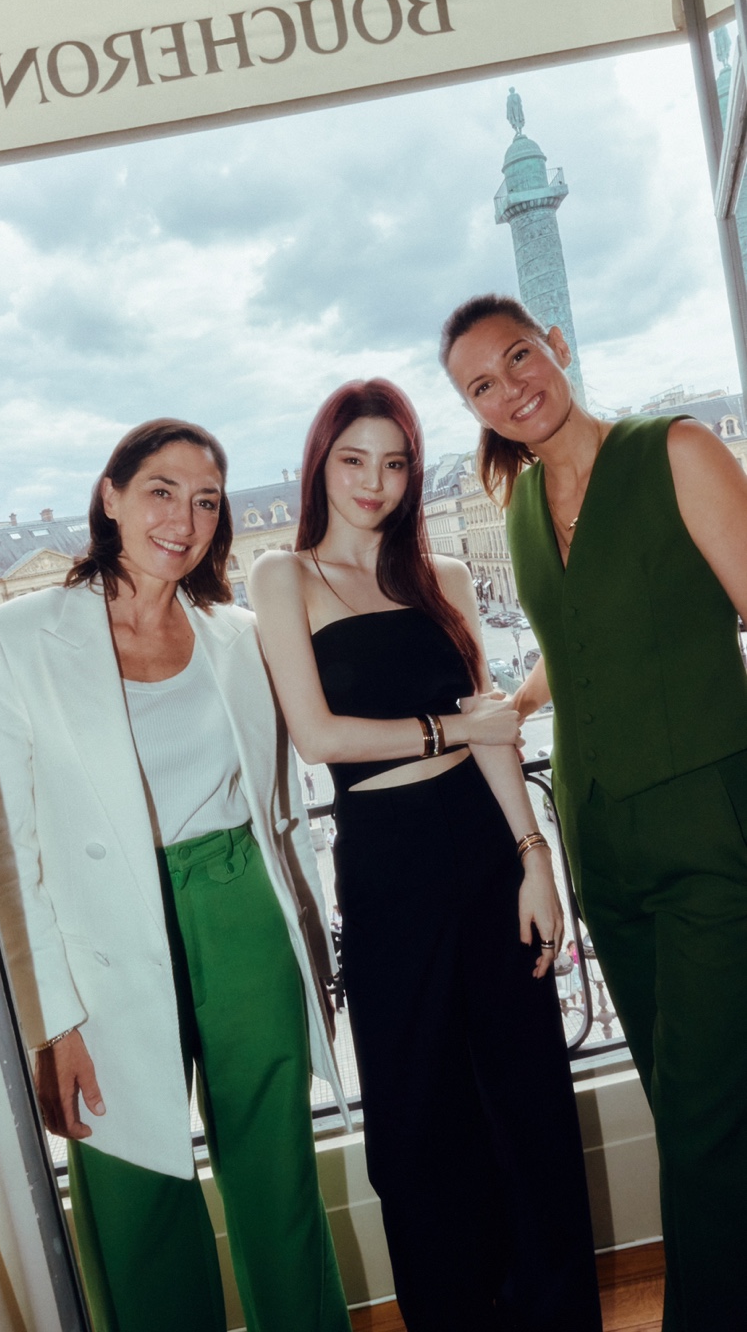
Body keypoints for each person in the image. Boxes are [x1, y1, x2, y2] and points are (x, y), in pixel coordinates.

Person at [0, 418, 352, 1332]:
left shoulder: (237, 634)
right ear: (111, 497)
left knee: (278, 1178)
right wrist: (50, 1020)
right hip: (101, 936)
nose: (183, 520)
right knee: (132, 1195)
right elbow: (5, 844)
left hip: (239, 909)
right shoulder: (16, 635)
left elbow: (281, 804)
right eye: (161, 492)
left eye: (206, 502)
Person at [250, 380, 601, 1332]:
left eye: (395, 462)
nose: (374, 481)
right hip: (387, 864)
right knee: (415, 1125)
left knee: (526, 1103)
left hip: (485, 849)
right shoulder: (284, 577)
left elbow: (494, 729)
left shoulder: (443, 575)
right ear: (320, 465)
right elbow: (318, 737)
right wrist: (449, 728)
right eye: (353, 459)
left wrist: (534, 856)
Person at [441, 292, 747, 1332]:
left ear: (557, 346)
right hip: (600, 841)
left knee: (706, 1118)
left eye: (519, 357)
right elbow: (573, 645)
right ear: (473, 408)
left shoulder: (675, 452)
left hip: (711, 827)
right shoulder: (522, 505)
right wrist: (511, 705)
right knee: (681, 1099)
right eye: (482, 385)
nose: (510, 388)